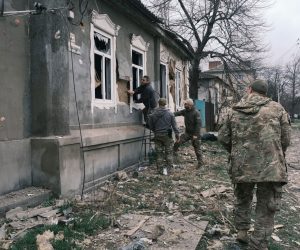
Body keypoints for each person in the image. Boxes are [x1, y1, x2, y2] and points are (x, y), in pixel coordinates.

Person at [218, 79, 291, 250]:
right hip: (270, 166)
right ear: (265, 93)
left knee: (242, 198)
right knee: (266, 205)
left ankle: (242, 232)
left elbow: (222, 137)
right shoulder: (277, 108)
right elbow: (286, 138)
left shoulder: (234, 110)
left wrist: (235, 151)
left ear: (249, 90)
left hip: (242, 164)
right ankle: (258, 242)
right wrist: (277, 151)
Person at [148, 98, 180, 175]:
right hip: (167, 136)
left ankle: (159, 170)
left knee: (159, 153)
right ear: (165, 104)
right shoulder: (170, 114)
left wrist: (155, 131)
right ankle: (169, 170)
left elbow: (150, 125)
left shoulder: (153, 114)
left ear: (158, 103)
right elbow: (174, 126)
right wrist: (177, 135)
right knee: (168, 152)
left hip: (157, 135)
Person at [173, 99, 204, 168]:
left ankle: (200, 164)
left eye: (185, 104)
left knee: (197, 148)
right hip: (187, 133)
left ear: (190, 105)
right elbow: (177, 113)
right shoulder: (185, 111)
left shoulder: (196, 113)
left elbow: (198, 125)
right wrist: (170, 114)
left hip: (195, 134)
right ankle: (174, 154)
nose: (184, 105)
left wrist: (195, 135)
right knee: (178, 141)